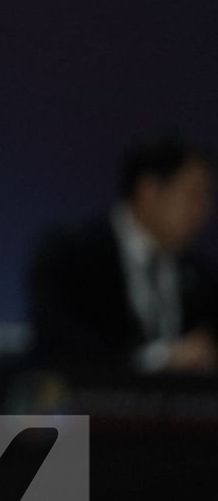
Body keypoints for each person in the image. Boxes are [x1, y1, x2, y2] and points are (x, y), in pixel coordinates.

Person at [28, 134, 216, 373]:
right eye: (193, 196)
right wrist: (155, 360)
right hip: (94, 404)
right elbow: (57, 342)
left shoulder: (199, 273)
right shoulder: (70, 254)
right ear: (150, 190)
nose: (205, 211)